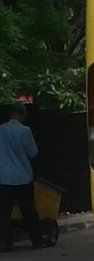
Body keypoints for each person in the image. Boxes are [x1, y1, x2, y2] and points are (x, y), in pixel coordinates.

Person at [0, 102, 44, 252]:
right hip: (22, 177)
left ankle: (4, 242)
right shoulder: (25, 131)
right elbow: (33, 152)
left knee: (4, 212)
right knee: (28, 210)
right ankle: (36, 240)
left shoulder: (1, 130)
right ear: (22, 114)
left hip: (3, 178)